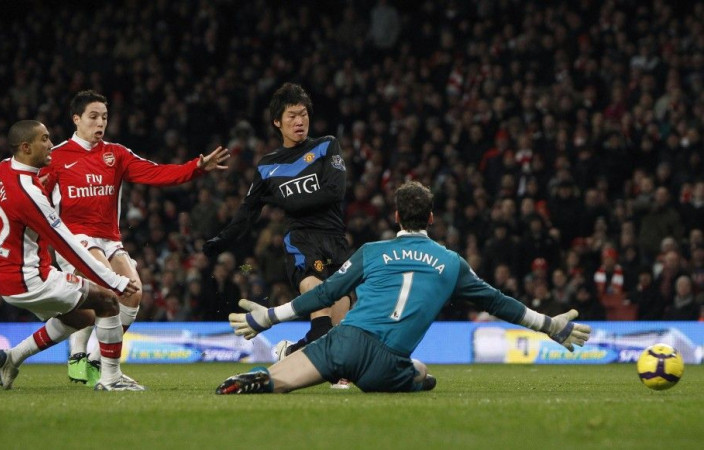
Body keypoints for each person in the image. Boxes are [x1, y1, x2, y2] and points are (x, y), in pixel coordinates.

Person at [215, 181, 591, 394]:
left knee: (277, 379)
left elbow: (325, 294)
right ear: (430, 218)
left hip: (343, 341)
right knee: (421, 372)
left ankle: (258, 380)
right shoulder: (451, 263)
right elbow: (498, 302)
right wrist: (549, 325)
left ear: (396, 217)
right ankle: (412, 378)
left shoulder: (372, 252)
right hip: (385, 362)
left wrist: (269, 316)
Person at [42, 90, 230, 385]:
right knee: (105, 286)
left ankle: (92, 360)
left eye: (104, 117)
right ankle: (89, 362)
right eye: (93, 117)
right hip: (74, 239)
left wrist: (195, 167)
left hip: (109, 239)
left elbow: (155, 173)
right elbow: (31, 199)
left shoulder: (115, 155)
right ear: (76, 119)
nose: (100, 123)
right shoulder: (56, 158)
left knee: (133, 293)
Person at [202, 83, 351, 381]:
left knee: (341, 334)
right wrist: (223, 239)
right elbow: (248, 211)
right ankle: (318, 368)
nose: (300, 121)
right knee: (318, 296)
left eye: (304, 114)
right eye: (293, 116)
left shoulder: (326, 145)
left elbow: (335, 191)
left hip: (335, 240)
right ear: (277, 122)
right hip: (302, 241)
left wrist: (290, 201)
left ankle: (292, 352)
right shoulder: (268, 166)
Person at [0, 120, 143, 391]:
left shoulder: (0, 170)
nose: (51, 144)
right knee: (109, 301)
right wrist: (115, 281)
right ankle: (111, 379)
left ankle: (11, 358)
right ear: (26, 147)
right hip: (33, 279)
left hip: (9, 277)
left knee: (83, 318)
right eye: (44, 139)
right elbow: (69, 247)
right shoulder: (29, 194)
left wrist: (5, 241)